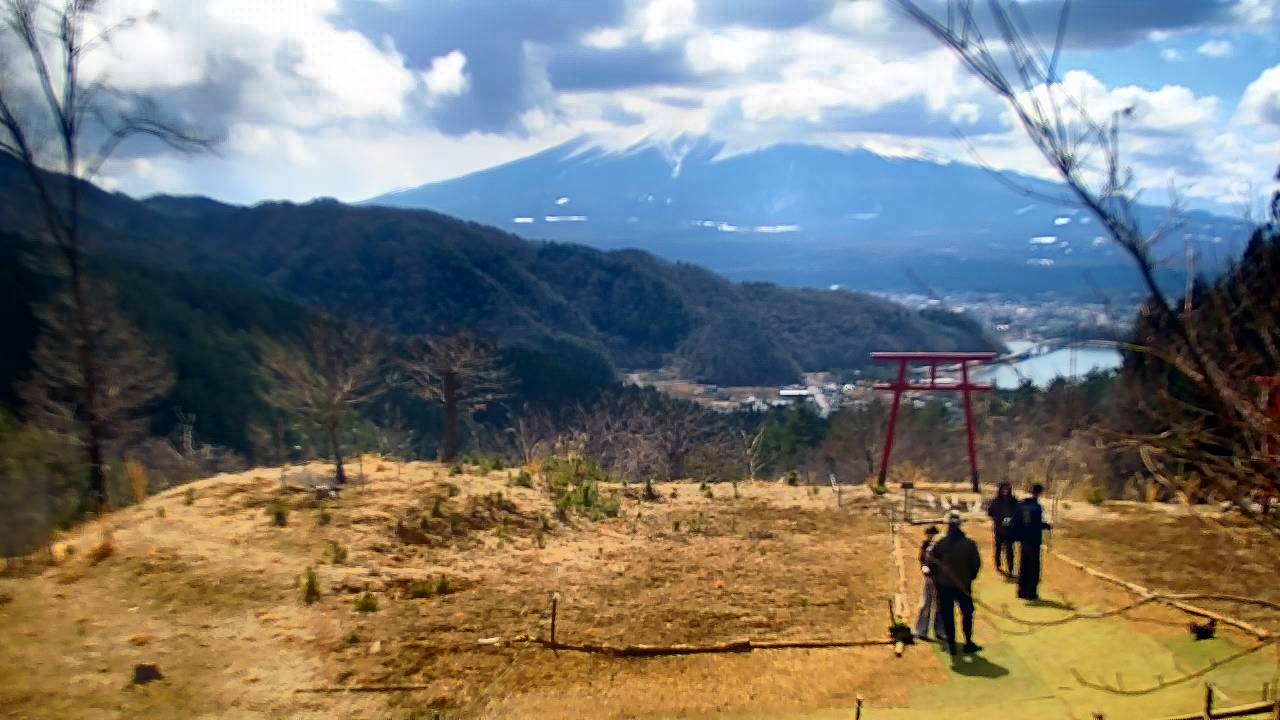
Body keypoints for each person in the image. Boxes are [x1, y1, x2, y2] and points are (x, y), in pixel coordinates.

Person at [930, 509, 982, 655]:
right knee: (966, 613)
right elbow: (976, 565)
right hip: (961, 585)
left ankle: (952, 644)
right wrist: (969, 578)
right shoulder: (968, 543)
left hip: (946, 586)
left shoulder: (940, 543)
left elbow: (931, 563)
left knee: (949, 615)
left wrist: (937, 579)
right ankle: (967, 642)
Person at [1016, 483, 1052, 600]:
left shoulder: (1022, 504)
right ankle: (1031, 593)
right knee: (1033, 568)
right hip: (1034, 540)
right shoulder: (1037, 507)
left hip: (1024, 539)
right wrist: (1046, 525)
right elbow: (1035, 524)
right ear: (1039, 493)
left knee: (1024, 566)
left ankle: (1021, 591)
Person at [914, 525, 945, 641]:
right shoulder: (925, 544)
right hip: (929, 579)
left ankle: (940, 632)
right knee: (926, 604)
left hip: (941, 580)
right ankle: (921, 630)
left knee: (940, 606)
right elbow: (922, 559)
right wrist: (924, 567)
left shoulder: (942, 546)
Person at [986, 482, 1019, 575]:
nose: (1005, 491)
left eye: (1007, 489)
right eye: (1003, 489)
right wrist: (998, 519)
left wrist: (1012, 520)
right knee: (998, 548)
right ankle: (998, 564)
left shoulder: (1014, 501)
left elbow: (1018, 513)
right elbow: (990, 512)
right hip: (999, 529)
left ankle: (1011, 568)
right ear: (1000, 490)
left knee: (1010, 550)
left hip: (1010, 530)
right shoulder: (996, 501)